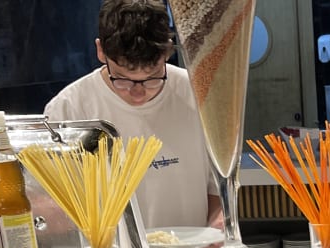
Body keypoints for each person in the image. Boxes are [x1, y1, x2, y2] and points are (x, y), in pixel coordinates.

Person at [44, 0, 221, 232]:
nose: (138, 94)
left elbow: (217, 189)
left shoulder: (198, 94)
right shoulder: (69, 109)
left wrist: (218, 225)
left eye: (153, 76)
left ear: (167, 51)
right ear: (100, 50)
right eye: (123, 78)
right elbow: (55, 206)